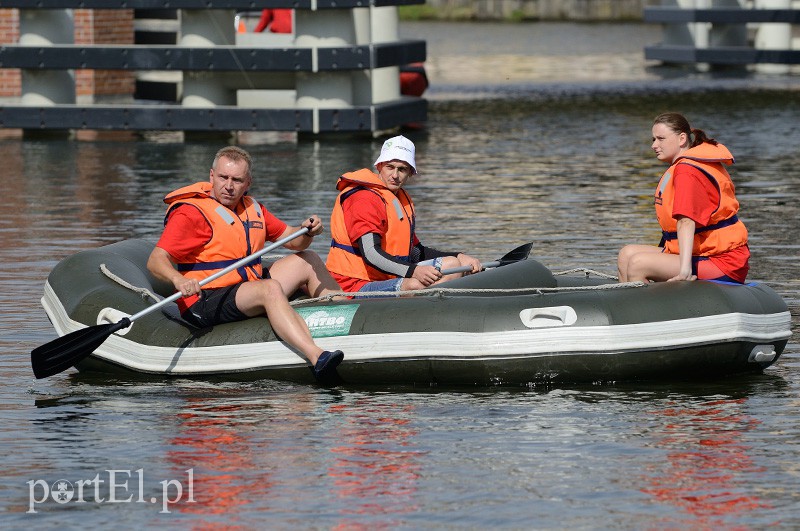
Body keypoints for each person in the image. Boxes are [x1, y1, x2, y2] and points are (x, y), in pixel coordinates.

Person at [147, 146, 344, 381]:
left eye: (237, 180)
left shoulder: (253, 209)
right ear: (212, 176)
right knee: (268, 288)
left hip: (243, 286)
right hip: (205, 299)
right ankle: (317, 357)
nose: (229, 186)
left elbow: (295, 242)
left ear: (248, 182)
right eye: (223, 177)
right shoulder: (191, 214)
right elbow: (155, 260)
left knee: (308, 260)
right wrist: (178, 280)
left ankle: (348, 310)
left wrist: (308, 231)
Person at [326, 135, 482, 294]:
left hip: (386, 276)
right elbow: (371, 253)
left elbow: (415, 252)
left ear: (410, 173)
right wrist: (413, 271)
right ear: (379, 166)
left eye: (402, 169)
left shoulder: (398, 198)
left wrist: (460, 256)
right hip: (353, 284)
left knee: (453, 265)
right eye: (390, 167)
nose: (395, 175)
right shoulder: (363, 198)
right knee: (415, 284)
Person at [617, 112, 749, 284]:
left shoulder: (687, 171)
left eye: (661, 139)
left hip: (722, 261)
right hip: (701, 254)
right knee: (626, 254)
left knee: (637, 264)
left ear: (681, 139)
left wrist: (684, 271)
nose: (654, 145)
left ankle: (644, 310)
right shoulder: (685, 165)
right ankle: (628, 308)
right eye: (653, 139)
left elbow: (686, 221)